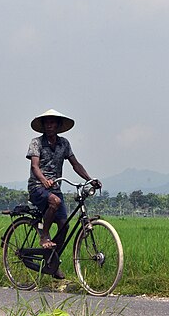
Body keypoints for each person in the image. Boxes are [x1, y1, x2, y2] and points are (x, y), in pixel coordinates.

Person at [26, 109, 101, 261]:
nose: (49, 126)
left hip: (55, 188)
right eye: (46, 123)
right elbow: (35, 166)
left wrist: (90, 179)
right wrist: (43, 180)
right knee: (55, 201)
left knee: (64, 226)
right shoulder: (37, 143)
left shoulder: (64, 144)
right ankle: (44, 236)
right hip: (37, 187)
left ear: (58, 125)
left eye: (52, 122)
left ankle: (52, 262)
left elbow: (75, 164)